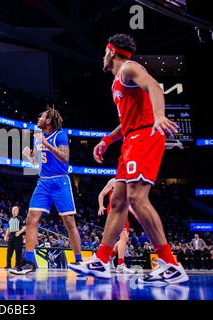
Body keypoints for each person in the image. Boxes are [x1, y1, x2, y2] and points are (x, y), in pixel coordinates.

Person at [68, 34, 188, 285]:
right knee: (118, 201)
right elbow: (125, 123)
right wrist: (106, 141)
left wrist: (158, 116)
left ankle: (170, 263)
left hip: (145, 136)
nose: (103, 56)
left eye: (104, 51)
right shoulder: (116, 83)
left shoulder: (129, 68)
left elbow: (154, 86)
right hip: (131, 138)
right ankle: (101, 260)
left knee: (136, 198)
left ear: (111, 51)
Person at [10, 107, 82, 275]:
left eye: (41, 116)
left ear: (48, 120)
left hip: (60, 181)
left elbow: (65, 157)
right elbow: (37, 161)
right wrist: (29, 155)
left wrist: (46, 143)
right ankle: (29, 261)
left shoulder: (60, 135)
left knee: (69, 221)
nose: (38, 118)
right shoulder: (38, 138)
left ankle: (79, 260)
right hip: (43, 181)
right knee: (30, 218)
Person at [98, 178, 137, 274]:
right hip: (114, 211)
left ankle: (108, 257)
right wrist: (101, 206)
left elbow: (128, 204)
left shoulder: (129, 184)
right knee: (124, 237)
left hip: (124, 211)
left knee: (124, 239)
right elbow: (101, 194)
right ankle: (120, 265)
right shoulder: (113, 181)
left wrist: (135, 213)